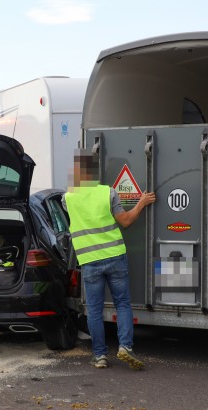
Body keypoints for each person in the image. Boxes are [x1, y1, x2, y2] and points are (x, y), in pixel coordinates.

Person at [63, 149, 155, 369]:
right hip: (114, 256)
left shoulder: (67, 198)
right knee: (122, 304)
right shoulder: (108, 192)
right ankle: (125, 347)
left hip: (89, 260)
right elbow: (125, 221)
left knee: (94, 310)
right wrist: (141, 202)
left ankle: (100, 356)